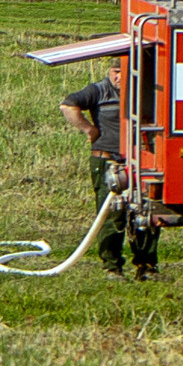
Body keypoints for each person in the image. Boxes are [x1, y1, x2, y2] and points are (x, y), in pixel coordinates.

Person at [61, 63, 149, 277]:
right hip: (108, 162)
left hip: (141, 162)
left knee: (146, 214)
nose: (119, 77)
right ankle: (112, 266)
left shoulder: (145, 92)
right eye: (115, 72)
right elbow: (68, 106)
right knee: (111, 214)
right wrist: (88, 129)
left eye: (123, 72)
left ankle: (146, 265)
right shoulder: (99, 90)